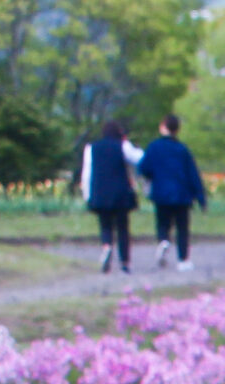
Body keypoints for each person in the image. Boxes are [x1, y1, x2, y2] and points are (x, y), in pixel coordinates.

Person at [137, 114, 209, 273]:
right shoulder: (183, 150)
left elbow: (143, 168)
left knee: (163, 223)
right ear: (177, 129)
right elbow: (193, 174)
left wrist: (153, 176)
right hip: (182, 195)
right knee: (182, 228)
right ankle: (183, 259)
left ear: (163, 127)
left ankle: (163, 241)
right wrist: (201, 197)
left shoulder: (154, 147)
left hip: (161, 193)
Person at [80, 120, 143, 275]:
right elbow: (139, 159)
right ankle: (124, 263)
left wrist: (87, 194)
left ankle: (107, 247)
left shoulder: (91, 148)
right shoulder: (123, 146)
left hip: (100, 193)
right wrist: (128, 143)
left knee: (105, 225)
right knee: (123, 228)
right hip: (120, 194)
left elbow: (87, 173)